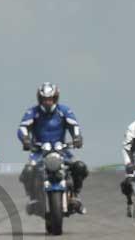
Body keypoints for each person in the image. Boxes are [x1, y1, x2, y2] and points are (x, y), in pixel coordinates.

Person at [17, 82, 88, 213]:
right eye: (44, 99)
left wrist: (77, 138)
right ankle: (33, 198)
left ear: (55, 98)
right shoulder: (33, 112)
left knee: (80, 167)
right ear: (40, 99)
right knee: (27, 170)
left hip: (62, 150)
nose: (48, 102)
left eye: (50, 99)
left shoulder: (64, 111)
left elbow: (74, 126)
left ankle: (76, 196)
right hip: (38, 151)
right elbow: (22, 128)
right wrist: (26, 140)